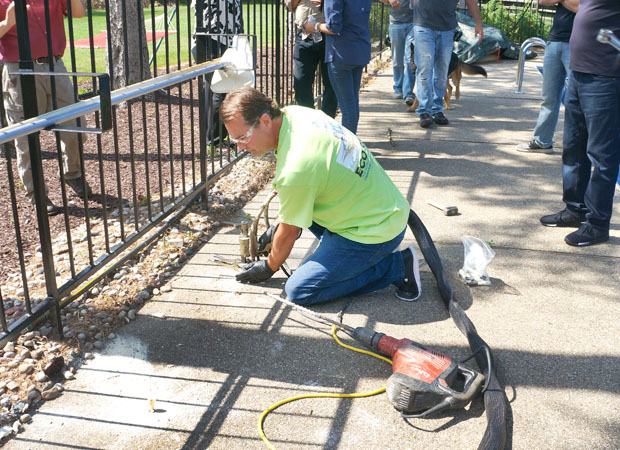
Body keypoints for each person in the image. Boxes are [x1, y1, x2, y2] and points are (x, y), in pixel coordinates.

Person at [221, 86, 422, 305]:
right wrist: (279, 225)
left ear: (266, 121)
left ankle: (398, 267)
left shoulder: (296, 167)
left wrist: (269, 266)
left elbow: (289, 232)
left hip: (375, 231)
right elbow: (306, 190)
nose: (240, 146)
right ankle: (344, 258)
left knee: (300, 290)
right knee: (295, 220)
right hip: (378, 206)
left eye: (243, 137)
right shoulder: (297, 115)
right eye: (235, 140)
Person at [540, 0, 620, 246]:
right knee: (573, 146)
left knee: (602, 155)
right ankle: (575, 209)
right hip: (578, 72)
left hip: (605, 76)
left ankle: (597, 224)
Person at [0, 0, 91, 216]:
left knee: (74, 123)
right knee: (26, 135)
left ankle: (72, 174)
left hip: (55, 65)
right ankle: (36, 193)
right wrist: (8, 21)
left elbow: (78, 13)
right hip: (19, 71)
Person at [517, 0, 578, 154]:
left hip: (578, 43)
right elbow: (543, 1)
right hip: (555, 40)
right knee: (549, 97)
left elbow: (581, 7)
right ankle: (543, 140)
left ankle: (580, 147)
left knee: (579, 100)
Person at [302, 0, 372, 134]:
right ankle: (353, 145)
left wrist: (314, 26)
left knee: (347, 108)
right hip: (360, 50)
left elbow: (333, 27)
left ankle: (348, 150)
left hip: (341, 53)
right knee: (352, 103)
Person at [412, 0, 483, 128]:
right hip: (423, 25)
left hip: (447, 28)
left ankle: (436, 109)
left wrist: (478, 23)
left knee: (442, 71)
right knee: (425, 68)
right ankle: (424, 111)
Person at [191, 0, 244, 146]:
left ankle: (213, 137)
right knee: (220, 89)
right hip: (213, 37)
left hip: (220, 37)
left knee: (214, 87)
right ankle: (214, 138)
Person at [286, 0, 337, 118]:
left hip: (329, 36)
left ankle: (327, 123)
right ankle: (309, 122)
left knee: (331, 84)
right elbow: (290, 6)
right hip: (304, 36)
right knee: (301, 83)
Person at [381, 0, 416, 106]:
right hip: (396, 23)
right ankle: (398, 87)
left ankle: (408, 93)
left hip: (414, 23)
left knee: (410, 59)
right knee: (397, 59)